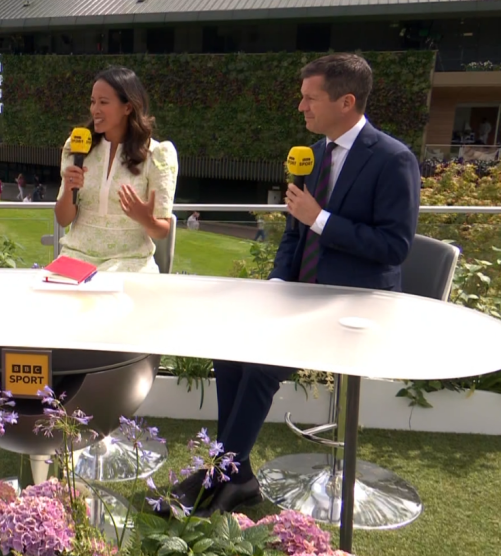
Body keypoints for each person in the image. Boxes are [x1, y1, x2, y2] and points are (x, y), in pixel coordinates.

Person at [177, 53, 420, 516]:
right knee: (229, 350)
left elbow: (394, 246)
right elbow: (294, 232)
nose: (301, 107)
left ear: (346, 101)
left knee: (264, 366)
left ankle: (220, 474)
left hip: (355, 305)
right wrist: (276, 282)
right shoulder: (316, 155)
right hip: (300, 296)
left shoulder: (393, 159)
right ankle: (238, 474)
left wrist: (322, 219)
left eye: (310, 98)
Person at [55, 66, 178, 273]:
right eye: (93, 102)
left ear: (127, 107)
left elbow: (162, 230)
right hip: (77, 257)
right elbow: (63, 218)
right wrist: (68, 190)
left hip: (130, 261)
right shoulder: (77, 148)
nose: (95, 110)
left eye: (103, 102)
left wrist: (145, 219)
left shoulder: (157, 155)